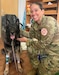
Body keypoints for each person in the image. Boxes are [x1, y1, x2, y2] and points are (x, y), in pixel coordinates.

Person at [17, 2, 59, 75]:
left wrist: (26, 40)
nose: (33, 13)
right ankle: (36, 67)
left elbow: (42, 44)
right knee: (30, 47)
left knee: (42, 72)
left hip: (53, 53)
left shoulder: (48, 23)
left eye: (36, 10)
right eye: (31, 11)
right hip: (44, 48)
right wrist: (18, 31)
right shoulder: (35, 23)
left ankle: (42, 68)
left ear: (42, 11)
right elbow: (31, 35)